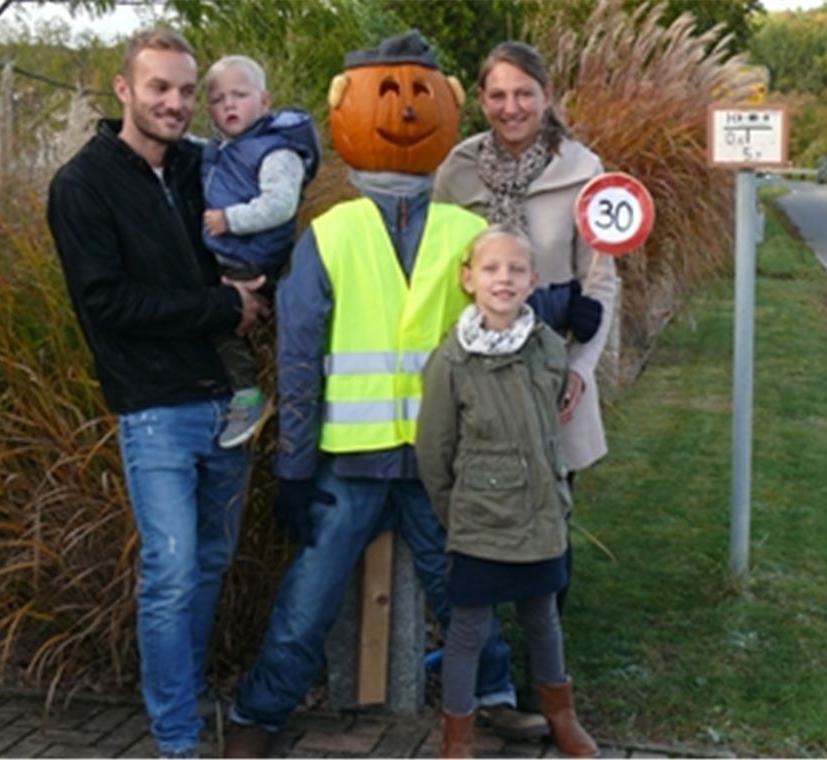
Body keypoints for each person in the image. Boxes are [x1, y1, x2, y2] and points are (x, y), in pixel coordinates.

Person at [222, 31, 516, 758]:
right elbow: (297, 356)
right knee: (309, 597)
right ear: (344, 107)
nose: (404, 110)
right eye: (386, 92)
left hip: (437, 460)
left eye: (421, 94)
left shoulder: (470, 233)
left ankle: (495, 694)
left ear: (447, 107)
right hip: (346, 462)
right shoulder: (331, 234)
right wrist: (294, 466)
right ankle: (260, 713)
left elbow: (501, 334)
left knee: (463, 589)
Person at [46, 29, 269, 759]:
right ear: (123, 90)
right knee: (171, 570)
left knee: (209, 563)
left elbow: (267, 204)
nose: (175, 103)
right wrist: (220, 306)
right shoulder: (83, 185)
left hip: (230, 403)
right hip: (155, 410)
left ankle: (192, 697)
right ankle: (177, 738)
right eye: (159, 89)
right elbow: (107, 302)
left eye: (184, 90)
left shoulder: (204, 167)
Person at [433, 39, 620, 735]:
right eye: (497, 94)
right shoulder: (455, 173)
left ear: (546, 96)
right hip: (479, 381)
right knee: (479, 538)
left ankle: (546, 695)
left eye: (524, 93)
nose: (511, 107)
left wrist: (579, 368)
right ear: (482, 100)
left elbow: (601, 279)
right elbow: (443, 270)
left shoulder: (584, 171)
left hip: (553, 375)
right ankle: (482, 696)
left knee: (550, 532)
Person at [416, 225, 601, 759]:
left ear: (533, 281)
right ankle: (458, 736)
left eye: (516, 270)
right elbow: (435, 448)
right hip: (480, 517)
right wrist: (457, 512)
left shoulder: (545, 345)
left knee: (542, 616)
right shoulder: (452, 362)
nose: (504, 279)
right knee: (469, 627)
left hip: (540, 512)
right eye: (492, 269)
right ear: (468, 280)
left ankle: (561, 715)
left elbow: (550, 425)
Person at [201, 54, 320, 449]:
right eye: (218, 99)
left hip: (253, 256)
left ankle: (248, 394)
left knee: (224, 323)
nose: (229, 105)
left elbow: (280, 205)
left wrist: (229, 220)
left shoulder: (275, 152)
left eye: (239, 95)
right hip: (229, 255)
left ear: (264, 101)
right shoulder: (226, 149)